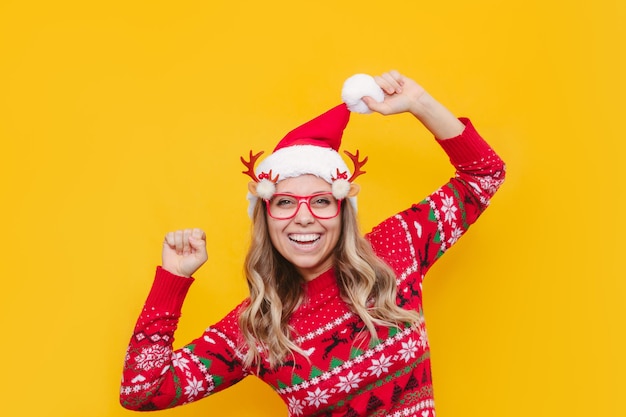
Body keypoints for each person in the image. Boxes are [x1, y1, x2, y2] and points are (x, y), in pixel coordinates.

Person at [120, 70, 506, 417]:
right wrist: (172, 280)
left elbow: (484, 175)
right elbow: (143, 393)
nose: (304, 216)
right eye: (285, 203)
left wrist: (419, 102)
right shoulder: (255, 327)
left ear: (342, 211)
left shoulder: (395, 250)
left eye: (321, 201)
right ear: (266, 218)